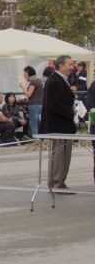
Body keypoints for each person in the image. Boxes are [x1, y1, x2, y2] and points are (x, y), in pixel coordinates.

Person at [40, 55, 76, 193]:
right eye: (70, 64)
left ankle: (57, 182)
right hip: (59, 126)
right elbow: (55, 105)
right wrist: (71, 111)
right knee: (60, 156)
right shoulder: (55, 81)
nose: (72, 67)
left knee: (61, 155)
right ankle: (57, 182)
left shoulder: (59, 80)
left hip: (62, 126)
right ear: (61, 66)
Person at [19, 66, 44, 136]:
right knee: (38, 123)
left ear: (28, 74)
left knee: (33, 123)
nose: (24, 77)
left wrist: (22, 87)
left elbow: (28, 94)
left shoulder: (33, 82)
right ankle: (39, 139)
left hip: (34, 105)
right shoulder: (39, 81)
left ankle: (36, 139)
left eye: (25, 75)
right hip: (40, 104)